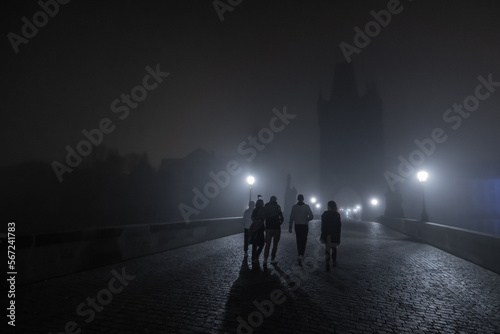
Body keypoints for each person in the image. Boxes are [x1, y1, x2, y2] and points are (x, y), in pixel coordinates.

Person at [288, 194, 314, 265]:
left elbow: (291, 217)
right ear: (303, 199)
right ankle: (302, 253)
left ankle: (299, 253)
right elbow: (311, 216)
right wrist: (307, 220)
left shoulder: (294, 207)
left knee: (298, 240)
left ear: (297, 199)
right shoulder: (307, 207)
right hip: (304, 225)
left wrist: (290, 226)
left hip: (297, 225)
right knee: (304, 240)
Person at [321, 201, 342, 271]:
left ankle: (327, 263)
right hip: (334, 233)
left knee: (327, 248)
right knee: (334, 248)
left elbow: (323, 224)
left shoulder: (325, 213)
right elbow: (339, 226)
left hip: (327, 233)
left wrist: (323, 233)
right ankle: (334, 261)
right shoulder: (337, 214)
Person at [263, 196, 284, 265]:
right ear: (275, 200)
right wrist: (280, 223)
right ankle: (272, 258)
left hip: (268, 227)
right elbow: (281, 216)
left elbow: (263, 216)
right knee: (275, 244)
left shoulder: (266, 206)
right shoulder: (277, 206)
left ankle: (265, 259)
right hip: (276, 227)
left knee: (267, 244)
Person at [248, 199, 265, 265]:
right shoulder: (263, 210)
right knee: (261, 244)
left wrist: (256, 220)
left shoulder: (255, 210)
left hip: (255, 229)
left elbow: (252, 217)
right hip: (260, 229)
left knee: (254, 244)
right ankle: (256, 256)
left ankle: (253, 258)